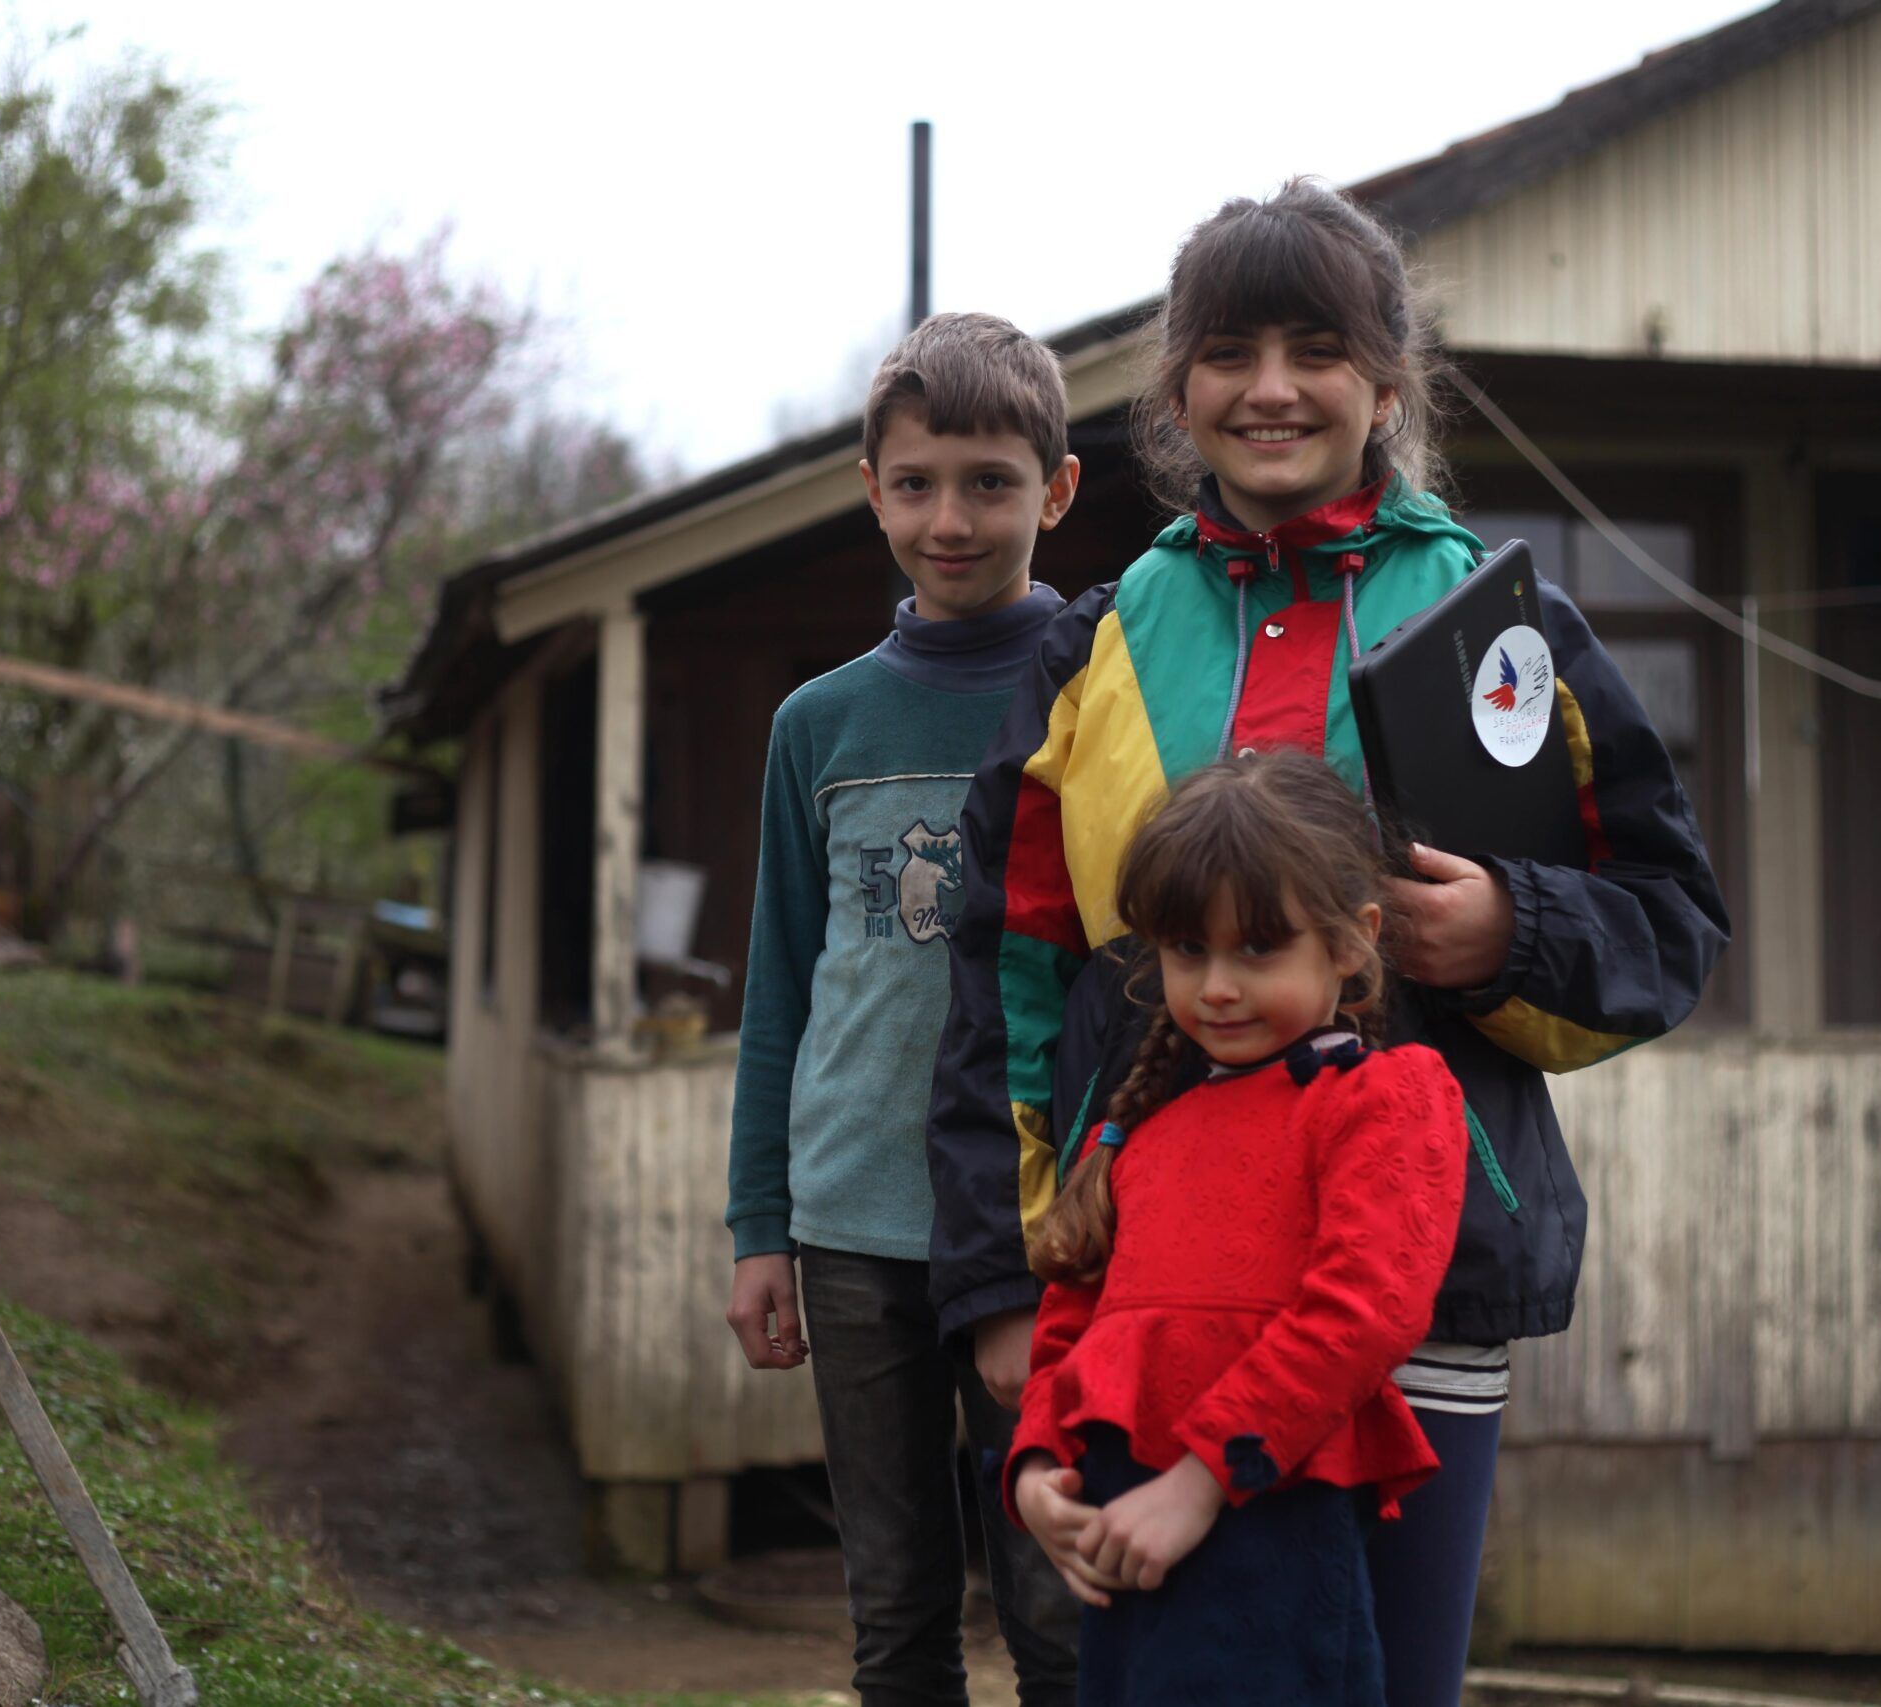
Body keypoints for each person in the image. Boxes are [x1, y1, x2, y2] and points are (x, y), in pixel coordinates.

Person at [928, 178, 1729, 1706]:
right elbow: (1006, 974)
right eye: (1229, 352)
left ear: (1387, 379)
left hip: (1415, 1295)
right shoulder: (1089, 644)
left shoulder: (1512, 630)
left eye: (1317, 348)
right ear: (1178, 392)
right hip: (1150, 1287)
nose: (1273, 387)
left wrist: (1509, 928)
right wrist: (1003, 1283)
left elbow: (1674, 924)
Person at [725, 311, 1086, 1707]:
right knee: (896, 1615)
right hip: (856, 1222)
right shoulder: (819, 725)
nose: (953, 516)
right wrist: (762, 1225)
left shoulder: (1096, 695)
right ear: (871, 489)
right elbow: (782, 990)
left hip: (1045, 1219)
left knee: (1059, 1609)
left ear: (1054, 492)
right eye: (919, 480)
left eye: (992, 480)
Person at [1004, 751, 1465, 1705]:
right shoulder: (1135, 1133)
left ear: (1352, 941)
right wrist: (1038, 1464)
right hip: (1122, 1534)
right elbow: (1068, 1326)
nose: (1215, 985)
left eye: (1257, 947)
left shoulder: (1384, 1097)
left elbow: (1363, 1313)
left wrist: (1200, 1480)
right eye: (1186, 950)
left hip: (1273, 1524)